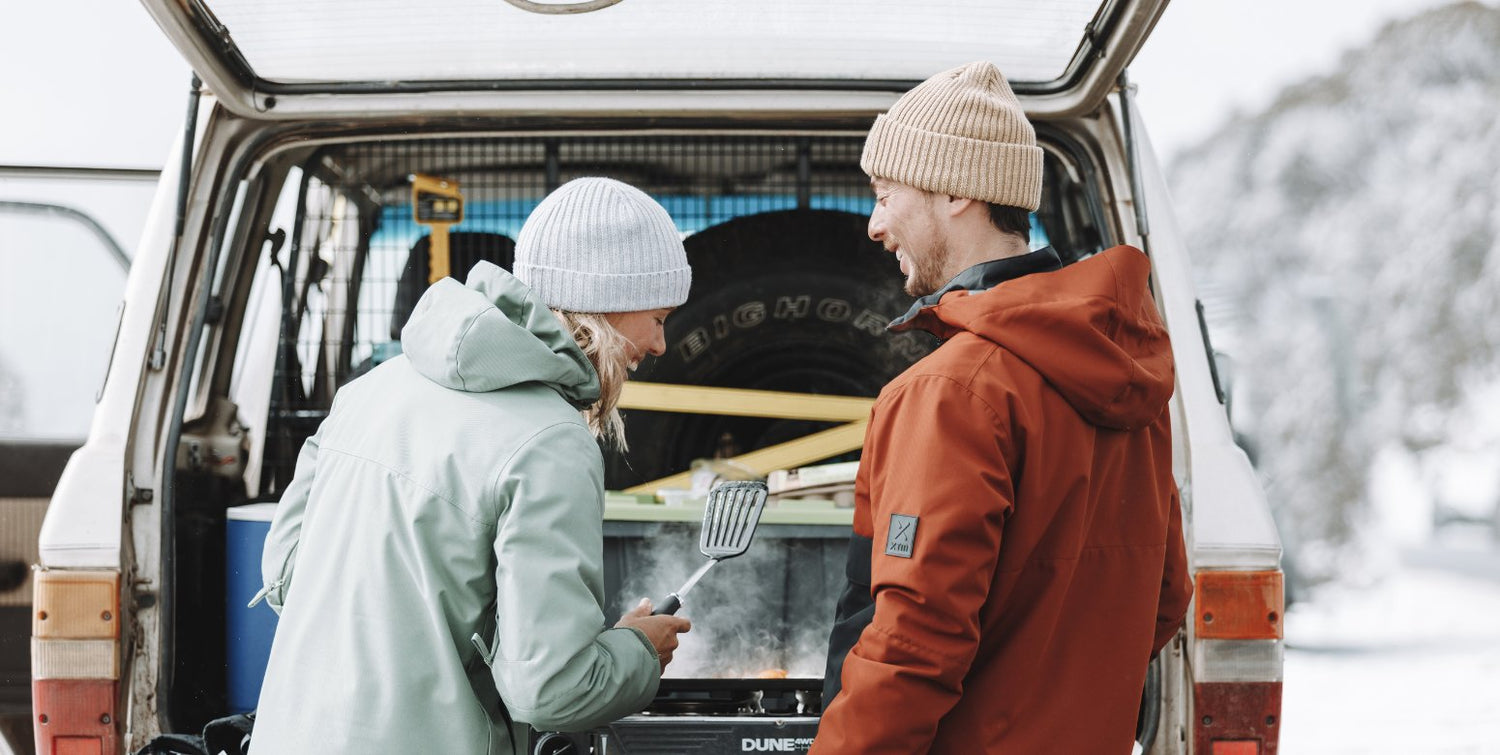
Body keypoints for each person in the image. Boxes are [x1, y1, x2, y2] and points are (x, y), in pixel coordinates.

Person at [812, 62, 1194, 753]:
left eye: (884, 194)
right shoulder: (1129, 375)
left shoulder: (951, 393)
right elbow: (1163, 595)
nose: (874, 225)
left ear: (957, 190)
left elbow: (912, 641)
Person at [250, 177, 694, 754]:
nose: (659, 344)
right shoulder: (551, 442)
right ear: (607, 304)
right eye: (657, 317)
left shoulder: (368, 392)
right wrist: (637, 650)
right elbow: (553, 690)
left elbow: (284, 575)